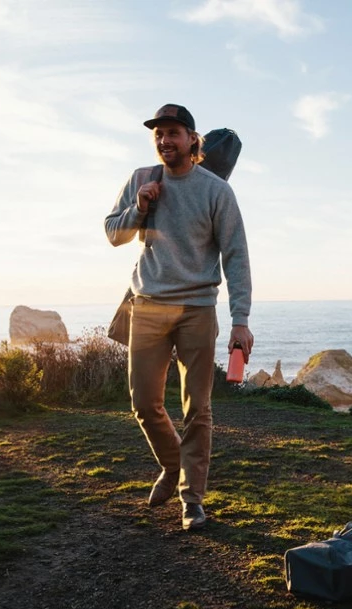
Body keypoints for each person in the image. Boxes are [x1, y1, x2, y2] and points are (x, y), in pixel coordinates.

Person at [104, 104, 253, 531]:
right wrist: (139, 209)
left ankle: (193, 499)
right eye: (159, 133)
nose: (165, 140)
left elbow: (236, 257)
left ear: (192, 140)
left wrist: (240, 318)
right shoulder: (141, 179)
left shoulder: (216, 191)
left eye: (173, 132)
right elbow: (114, 234)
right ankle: (172, 467)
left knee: (197, 410)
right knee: (144, 404)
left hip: (197, 310)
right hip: (147, 306)